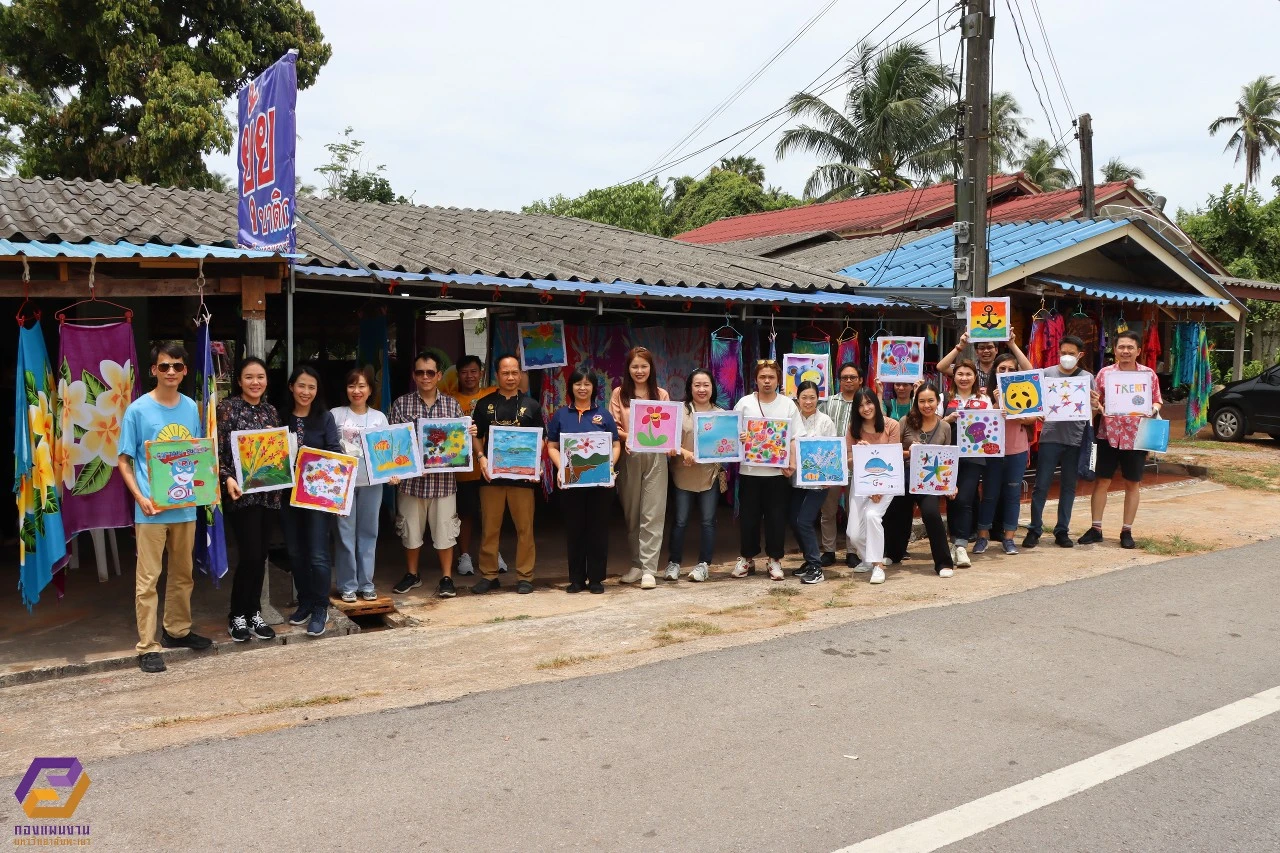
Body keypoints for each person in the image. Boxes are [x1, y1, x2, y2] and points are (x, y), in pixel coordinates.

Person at [118, 343, 213, 673]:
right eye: (164, 367)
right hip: (152, 509)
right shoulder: (137, 410)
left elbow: (195, 455)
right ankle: (147, 645)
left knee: (183, 574)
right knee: (148, 579)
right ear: (153, 371)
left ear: (185, 371)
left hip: (185, 508)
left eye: (176, 366)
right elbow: (124, 461)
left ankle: (177, 630)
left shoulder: (190, 408)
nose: (170, 372)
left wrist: (206, 487)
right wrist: (140, 498)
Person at [388, 352, 464, 598]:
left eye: (430, 372)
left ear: (439, 375)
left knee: (445, 530)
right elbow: (392, 442)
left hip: (443, 483)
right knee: (410, 531)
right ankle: (413, 575)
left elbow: (458, 444)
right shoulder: (401, 404)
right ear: (414, 375)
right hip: (411, 483)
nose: (425, 377)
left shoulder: (452, 405)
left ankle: (446, 578)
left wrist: (468, 432)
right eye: (420, 372)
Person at [217, 356, 280, 643]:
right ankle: (237, 614)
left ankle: (254, 612)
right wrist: (227, 476)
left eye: (261, 377)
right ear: (239, 380)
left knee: (262, 554)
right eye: (249, 377)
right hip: (240, 494)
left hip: (269, 493)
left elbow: (278, 453)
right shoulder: (226, 409)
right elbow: (217, 451)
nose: (256, 382)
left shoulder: (271, 411)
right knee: (250, 554)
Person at [1080, 330, 1162, 549]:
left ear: (1138, 351)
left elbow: (1157, 401)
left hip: (1137, 435)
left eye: (1130, 347)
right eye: (1121, 347)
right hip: (1108, 434)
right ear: (1114, 350)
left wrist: (1152, 409)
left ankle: (1127, 530)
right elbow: (1097, 402)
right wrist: (1096, 405)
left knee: (1132, 483)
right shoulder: (1105, 374)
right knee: (1102, 481)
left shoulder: (1148, 375)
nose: (1125, 351)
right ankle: (1096, 528)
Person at [472, 354, 544, 594]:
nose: (511, 377)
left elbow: (541, 440)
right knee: (490, 528)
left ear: (521, 374)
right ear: (497, 375)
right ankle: (489, 575)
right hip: (491, 476)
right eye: (505, 373)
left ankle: (525, 576)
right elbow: (475, 435)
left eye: (515, 372)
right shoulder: (484, 404)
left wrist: (536, 465)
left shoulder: (531, 405)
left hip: (522, 478)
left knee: (525, 528)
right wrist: (481, 458)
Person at [547, 367, 620, 594]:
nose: (582, 388)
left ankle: (597, 579)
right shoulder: (561, 415)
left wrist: (609, 465)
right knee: (575, 530)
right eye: (578, 384)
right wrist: (562, 467)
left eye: (587, 384)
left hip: (599, 483)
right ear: (571, 387)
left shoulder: (603, 415)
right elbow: (551, 446)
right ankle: (576, 579)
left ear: (593, 388)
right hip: (572, 482)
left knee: (597, 530)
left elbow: (616, 445)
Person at [280, 365, 340, 638]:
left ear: (317, 391)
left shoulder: (324, 418)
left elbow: (335, 454)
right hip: (285, 496)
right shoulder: (279, 416)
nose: (306, 392)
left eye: (311, 387)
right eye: (301, 386)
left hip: (317, 496)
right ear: (292, 387)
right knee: (295, 551)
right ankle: (304, 601)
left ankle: (320, 606)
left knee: (317, 553)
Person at [608, 346, 672, 590]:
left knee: (652, 512)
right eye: (635, 366)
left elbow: (667, 427)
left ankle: (649, 569)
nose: (639, 370)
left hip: (656, 457)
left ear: (651, 368)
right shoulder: (619, 394)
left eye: (644, 366)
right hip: (629, 455)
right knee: (632, 512)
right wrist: (629, 438)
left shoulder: (661, 394)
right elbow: (614, 427)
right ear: (628, 369)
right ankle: (636, 563)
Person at [1023, 335, 1094, 549]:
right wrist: (1038, 412)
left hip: (1075, 439)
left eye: (1071, 354)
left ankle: (1062, 530)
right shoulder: (1046, 375)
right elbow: (1034, 400)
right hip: (1050, 438)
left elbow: (1093, 408)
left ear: (1080, 355)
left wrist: (1096, 405)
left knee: (1068, 487)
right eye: (1063, 352)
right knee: (1041, 486)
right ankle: (1035, 529)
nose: (1067, 357)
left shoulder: (1087, 377)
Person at [733, 360, 799, 580]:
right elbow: (732, 433)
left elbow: (794, 438)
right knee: (749, 518)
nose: (767, 381)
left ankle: (775, 560)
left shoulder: (788, 404)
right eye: (763, 377)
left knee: (776, 518)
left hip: (777, 474)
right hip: (749, 472)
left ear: (778, 379)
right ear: (756, 379)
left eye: (771, 377)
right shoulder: (744, 403)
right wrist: (740, 437)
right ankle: (747, 559)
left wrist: (791, 463)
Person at [883, 383, 956, 578]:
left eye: (931, 401)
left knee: (932, 514)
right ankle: (893, 553)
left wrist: (951, 483)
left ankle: (943, 562)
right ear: (917, 402)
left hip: (928, 480)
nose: (926, 405)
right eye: (922, 401)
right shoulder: (905, 421)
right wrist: (910, 452)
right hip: (905, 475)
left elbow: (948, 458)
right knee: (897, 513)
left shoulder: (945, 426)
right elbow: (893, 449)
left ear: (938, 402)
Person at [444, 355, 508, 577]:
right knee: (466, 514)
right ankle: (464, 555)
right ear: (458, 375)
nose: (469, 376)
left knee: (491, 514)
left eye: (473, 371)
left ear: (481, 373)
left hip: (491, 465)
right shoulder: (450, 400)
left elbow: (521, 384)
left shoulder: (492, 393)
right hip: (463, 470)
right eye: (464, 372)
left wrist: (522, 359)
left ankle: (492, 553)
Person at [972, 353, 1041, 555]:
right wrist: (996, 404)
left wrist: (1013, 410)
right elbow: (979, 420)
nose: (1006, 373)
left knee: (1012, 495)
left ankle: (1009, 538)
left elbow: (1032, 419)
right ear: (995, 371)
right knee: (990, 494)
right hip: (992, 450)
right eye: (1002, 369)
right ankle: (982, 536)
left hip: (1017, 450)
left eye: (1011, 369)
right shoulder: (984, 394)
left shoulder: (1027, 391)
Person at [331, 367, 389, 602]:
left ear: (370, 390)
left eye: (362, 386)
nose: (357, 391)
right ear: (346, 389)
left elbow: (387, 451)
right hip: (341, 485)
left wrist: (393, 472)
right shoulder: (334, 414)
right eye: (352, 386)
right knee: (344, 535)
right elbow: (326, 449)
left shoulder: (379, 418)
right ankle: (347, 585)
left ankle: (366, 584)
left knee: (368, 533)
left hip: (372, 483)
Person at [667, 368, 722, 583]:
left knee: (708, 522)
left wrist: (740, 437)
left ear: (712, 388)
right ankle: (674, 563)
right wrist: (684, 452)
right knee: (680, 521)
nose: (701, 389)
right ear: (690, 387)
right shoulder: (679, 411)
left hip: (709, 476)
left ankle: (703, 564)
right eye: (697, 385)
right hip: (683, 475)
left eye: (706, 385)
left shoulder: (720, 414)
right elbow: (668, 440)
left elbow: (726, 445)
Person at [845, 388, 901, 585]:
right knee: (853, 534)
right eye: (860, 405)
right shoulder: (853, 428)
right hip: (861, 483)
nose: (866, 408)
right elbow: (848, 462)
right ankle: (869, 558)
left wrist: (878, 488)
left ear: (876, 404)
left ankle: (878, 565)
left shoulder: (891, 425)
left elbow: (894, 458)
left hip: (886, 481)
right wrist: (857, 453)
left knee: (872, 516)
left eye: (869, 403)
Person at [941, 359, 994, 568]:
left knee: (964, 497)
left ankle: (961, 544)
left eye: (968, 374)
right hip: (948, 454)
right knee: (951, 498)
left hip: (974, 455)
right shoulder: (945, 398)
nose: (964, 378)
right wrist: (950, 419)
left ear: (975, 377)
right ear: (954, 377)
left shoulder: (984, 399)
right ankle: (954, 540)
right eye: (960, 374)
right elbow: (934, 424)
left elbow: (991, 427)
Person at [791, 380, 837, 584]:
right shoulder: (791, 420)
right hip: (796, 480)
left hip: (819, 483)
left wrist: (828, 476)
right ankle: (809, 561)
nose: (808, 401)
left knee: (804, 521)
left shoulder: (825, 421)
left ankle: (816, 567)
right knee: (794, 521)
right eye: (804, 397)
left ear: (818, 399)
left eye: (812, 397)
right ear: (797, 399)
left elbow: (832, 451)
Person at [819, 362, 862, 567]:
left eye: (852, 377)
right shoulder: (828, 402)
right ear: (839, 380)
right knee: (828, 510)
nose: (848, 381)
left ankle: (852, 551)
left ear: (860, 380)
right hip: (831, 464)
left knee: (855, 509)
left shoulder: (865, 403)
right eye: (844, 377)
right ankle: (829, 550)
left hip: (858, 463)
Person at [937, 329, 1033, 391]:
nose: (986, 351)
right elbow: (941, 367)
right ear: (976, 351)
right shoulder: (969, 369)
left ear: (996, 350)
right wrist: (960, 346)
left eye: (989, 347)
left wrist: (1012, 344)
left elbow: (1029, 370)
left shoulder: (1004, 369)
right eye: (982, 348)